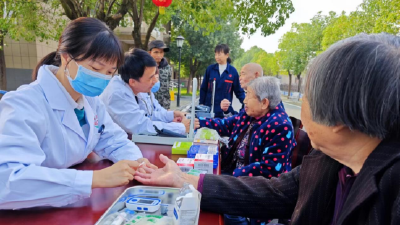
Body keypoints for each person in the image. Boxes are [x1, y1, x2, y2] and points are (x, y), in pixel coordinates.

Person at [134, 33, 400, 224]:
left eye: (307, 96)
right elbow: (277, 192)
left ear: (341, 117)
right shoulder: (330, 160)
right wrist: (185, 180)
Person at [0, 18, 156, 210]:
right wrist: (93, 179)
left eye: (109, 72)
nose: (102, 78)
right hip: (30, 211)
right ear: (66, 57)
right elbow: (7, 180)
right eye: (96, 69)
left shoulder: (91, 101)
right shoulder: (24, 103)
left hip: (72, 208)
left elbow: (114, 140)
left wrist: (137, 163)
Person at [199, 76, 295, 225]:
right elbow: (227, 124)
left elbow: (269, 169)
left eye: (248, 95)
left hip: (253, 187)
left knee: (216, 204)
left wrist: (231, 177)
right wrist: (199, 122)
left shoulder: (280, 125)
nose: (244, 100)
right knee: (200, 187)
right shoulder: (250, 114)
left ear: (264, 103)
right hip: (232, 173)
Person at [100, 48, 198, 136]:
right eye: (151, 77)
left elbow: (149, 115)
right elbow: (141, 126)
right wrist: (181, 127)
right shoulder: (117, 94)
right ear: (133, 81)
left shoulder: (138, 88)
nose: (155, 81)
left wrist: (172, 115)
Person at [200, 44, 245, 118]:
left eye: (219, 54)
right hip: (209, 110)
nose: (217, 57)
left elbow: (239, 91)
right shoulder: (210, 69)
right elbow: (203, 88)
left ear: (227, 55)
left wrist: (246, 103)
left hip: (224, 111)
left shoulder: (232, 71)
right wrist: (201, 104)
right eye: (215, 54)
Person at [148, 40, 173, 109]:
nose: (159, 55)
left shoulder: (168, 68)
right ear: (150, 53)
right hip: (148, 104)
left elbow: (167, 89)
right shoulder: (145, 67)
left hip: (163, 106)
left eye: (161, 52)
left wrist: (168, 106)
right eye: (156, 52)